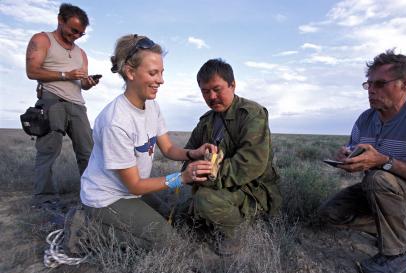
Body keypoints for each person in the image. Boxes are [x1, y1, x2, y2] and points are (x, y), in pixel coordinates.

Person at [318, 50, 406, 273]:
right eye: (368, 84)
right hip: (378, 189)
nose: (371, 90)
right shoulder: (366, 118)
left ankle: (398, 256)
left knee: (378, 177)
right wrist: (347, 156)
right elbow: (355, 149)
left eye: (379, 83)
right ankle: (394, 228)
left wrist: (384, 162)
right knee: (330, 213)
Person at [80, 34, 215, 246]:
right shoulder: (115, 121)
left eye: (161, 72)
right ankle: (87, 229)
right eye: (153, 73)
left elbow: (168, 148)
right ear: (130, 72)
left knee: (175, 218)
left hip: (131, 191)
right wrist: (183, 178)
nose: (161, 80)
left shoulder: (151, 105)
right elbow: (134, 185)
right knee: (168, 244)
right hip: (106, 198)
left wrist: (194, 153)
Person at [181, 58, 282, 256]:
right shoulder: (206, 121)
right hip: (221, 186)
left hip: (253, 191)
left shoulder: (252, 114)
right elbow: (189, 154)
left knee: (205, 199)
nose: (212, 96)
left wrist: (208, 177)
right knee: (181, 214)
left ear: (233, 85)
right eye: (205, 91)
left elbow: (250, 164)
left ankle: (237, 234)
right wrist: (192, 172)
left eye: (217, 89)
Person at [25, 3, 99, 208]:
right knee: (48, 152)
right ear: (60, 20)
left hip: (77, 106)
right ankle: (44, 198)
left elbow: (81, 84)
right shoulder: (42, 40)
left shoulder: (81, 53)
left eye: (81, 33)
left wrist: (88, 83)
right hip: (51, 102)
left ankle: (92, 195)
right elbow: (32, 71)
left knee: (88, 152)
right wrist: (66, 75)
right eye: (73, 30)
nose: (76, 35)